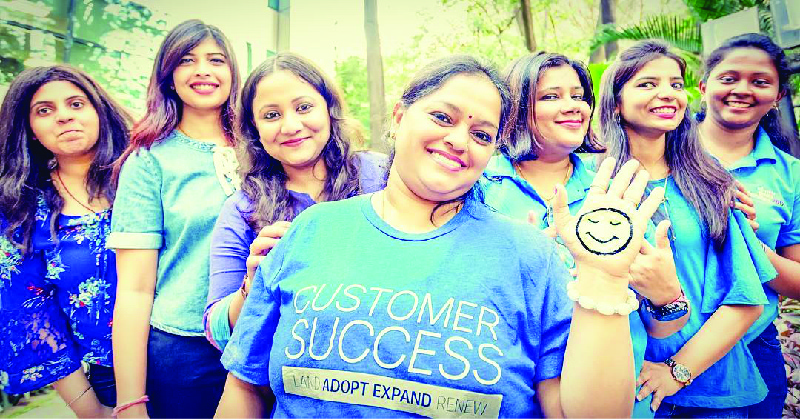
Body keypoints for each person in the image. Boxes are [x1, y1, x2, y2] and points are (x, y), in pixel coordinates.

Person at [214, 54, 666, 418]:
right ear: (399, 116)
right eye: (442, 117)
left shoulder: (530, 256)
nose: (459, 140)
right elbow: (245, 389)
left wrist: (603, 280)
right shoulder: (312, 230)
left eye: (482, 133)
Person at [482, 52, 689, 418]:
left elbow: (661, 329)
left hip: (607, 395)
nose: (573, 107)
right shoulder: (477, 186)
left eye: (578, 96)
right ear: (514, 107)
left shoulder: (617, 192)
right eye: (550, 96)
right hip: (504, 394)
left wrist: (666, 295)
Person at [599, 40, 776, 418]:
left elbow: (746, 300)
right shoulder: (591, 184)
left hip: (712, 389)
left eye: (676, 84)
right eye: (647, 84)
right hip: (625, 386)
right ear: (616, 101)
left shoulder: (712, 182)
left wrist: (676, 372)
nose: (667, 94)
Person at [205, 52, 386, 351]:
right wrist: (252, 283)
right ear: (255, 129)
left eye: (304, 107)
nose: (290, 126)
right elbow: (219, 330)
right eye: (271, 115)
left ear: (329, 109)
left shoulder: (381, 176)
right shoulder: (242, 209)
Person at [107, 19, 241, 418]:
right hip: (186, 354)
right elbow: (133, 290)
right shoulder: (148, 161)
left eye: (215, 59)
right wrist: (129, 401)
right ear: (168, 77)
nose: (203, 70)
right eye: (187, 60)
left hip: (268, 337)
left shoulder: (266, 145)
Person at [0, 65, 131, 417]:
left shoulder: (144, 175)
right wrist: (93, 412)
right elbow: (29, 314)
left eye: (76, 104)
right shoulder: (21, 209)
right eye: (45, 110)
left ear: (99, 110)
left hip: (192, 358)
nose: (63, 117)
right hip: (110, 380)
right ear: (28, 128)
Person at [697, 33, 800, 418]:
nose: (742, 89)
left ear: (777, 97)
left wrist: (749, 245)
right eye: (729, 78)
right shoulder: (661, 150)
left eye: (760, 82)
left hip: (753, 345)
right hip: (664, 336)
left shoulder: (789, 176)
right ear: (704, 85)